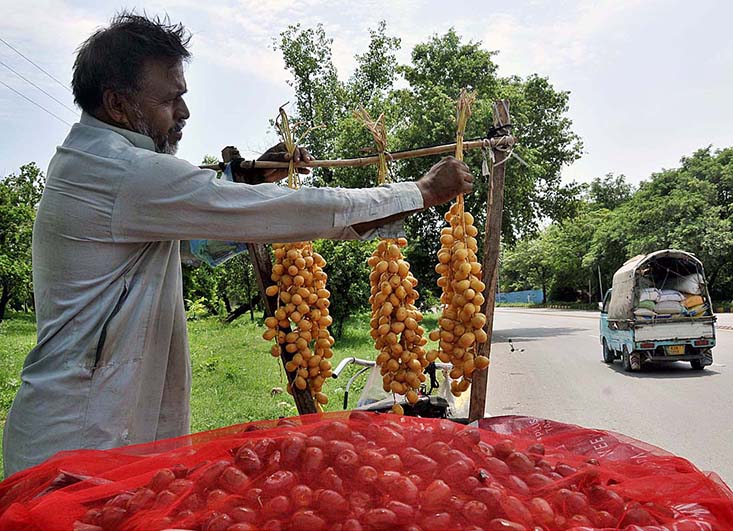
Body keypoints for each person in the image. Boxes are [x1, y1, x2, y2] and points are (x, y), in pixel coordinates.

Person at [2, 13, 473, 477]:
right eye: (171, 100)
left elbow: (199, 238)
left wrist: (242, 181)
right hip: (80, 445)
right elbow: (279, 212)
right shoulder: (120, 171)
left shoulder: (103, 166)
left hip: (102, 437)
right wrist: (418, 193)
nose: (184, 114)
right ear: (118, 104)